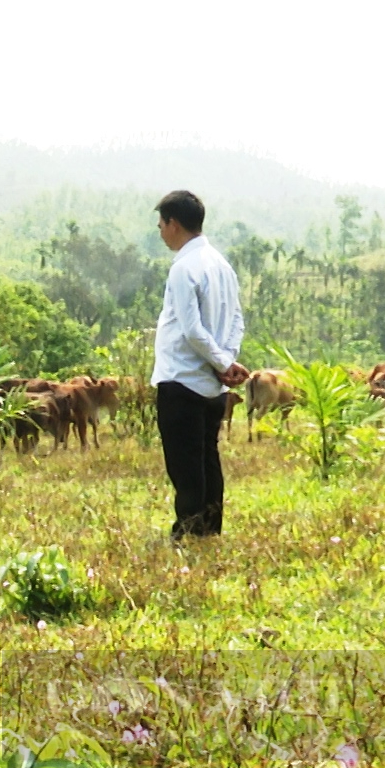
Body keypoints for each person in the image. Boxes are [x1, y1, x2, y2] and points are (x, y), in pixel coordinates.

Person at [150, 191, 248, 540]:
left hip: (183, 380)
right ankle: (210, 533)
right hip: (212, 386)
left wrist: (222, 361)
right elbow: (236, 320)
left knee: (185, 467)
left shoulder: (183, 268)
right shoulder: (222, 266)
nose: (161, 232)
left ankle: (188, 536)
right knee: (208, 459)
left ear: (174, 224)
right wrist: (227, 362)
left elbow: (191, 329)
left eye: (161, 225)